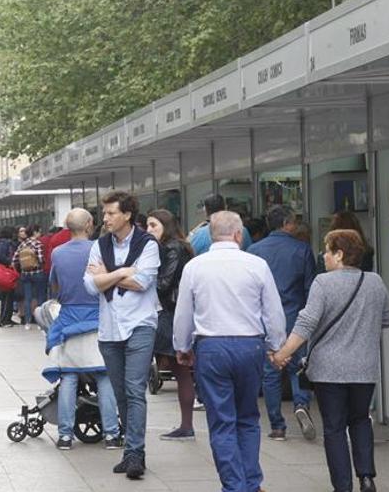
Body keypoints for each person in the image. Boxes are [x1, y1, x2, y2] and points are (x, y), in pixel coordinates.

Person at [173, 211, 286, 492]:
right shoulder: (257, 265)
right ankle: (251, 482)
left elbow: (183, 312)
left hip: (211, 347)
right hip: (250, 346)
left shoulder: (195, 267)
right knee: (248, 417)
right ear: (238, 234)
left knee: (222, 421)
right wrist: (276, 346)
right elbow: (273, 311)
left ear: (212, 235)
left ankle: (234, 486)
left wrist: (182, 347)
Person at [271, 230, 389, 492]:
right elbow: (387, 319)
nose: (323, 256)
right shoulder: (375, 282)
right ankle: (367, 477)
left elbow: (306, 323)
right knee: (360, 419)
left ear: (339, 254)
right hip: (364, 369)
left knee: (334, 428)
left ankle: (343, 485)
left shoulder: (323, 283)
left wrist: (282, 353)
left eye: (327, 250)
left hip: (328, 371)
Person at [83, 191, 160, 480]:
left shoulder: (147, 244)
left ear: (127, 214)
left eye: (111, 213)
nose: (105, 219)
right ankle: (130, 447)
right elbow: (90, 285)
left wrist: (108, 274)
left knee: (134, 388)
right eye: (104, 214)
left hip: (140, 323)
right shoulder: (99, 245)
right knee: (120, 392)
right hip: (109, 328)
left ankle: (135, 453)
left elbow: (141, 282)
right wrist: (122, 272)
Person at [44, 209, 121, 452]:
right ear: (89, 224)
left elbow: (54, 286)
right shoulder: (100, 249)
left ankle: (65, 436)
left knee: (68, 376)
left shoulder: (58, 253)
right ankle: (111, 434)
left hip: (68, 320)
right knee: (104, 376)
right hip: (98, 318)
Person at [248, 204, 317, 441]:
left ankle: (277, 425)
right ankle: (301, 404)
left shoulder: (255, 250)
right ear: (288, 224)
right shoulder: (302, 249)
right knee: (299, 366)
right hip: (295, 317)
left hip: (265, 319)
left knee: (270, 372)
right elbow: (310, 288)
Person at [146, 209, 195, 441]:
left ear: (166, 225)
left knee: (181, 369)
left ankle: (186, 425)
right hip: (174, 312)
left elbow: (164, 283)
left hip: (171, 313)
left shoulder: (172, 248)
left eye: (153, 225)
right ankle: (186, 424)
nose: (149, 231)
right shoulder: (177, 246)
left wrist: (140, 279)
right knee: (180, 370)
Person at [12, 223, 46, 327]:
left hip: (25, 274)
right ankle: (40, 321)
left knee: (28, 297)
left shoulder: (22, 244)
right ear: (35, 232)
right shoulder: (37, 244)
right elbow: (40, 259)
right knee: (40, 297)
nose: (40, 234)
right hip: (37, 273)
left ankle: (27, 321)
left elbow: (14, 260)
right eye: (39, 231)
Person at [0, 226, 19, 327]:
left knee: (8, 297)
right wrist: (10, 262)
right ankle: (4, 319)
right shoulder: (4, 243)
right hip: (6, 272)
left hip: (5, 272)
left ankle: (7, 318)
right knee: (7, 297)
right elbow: (0, 255)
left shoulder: (0, 243)